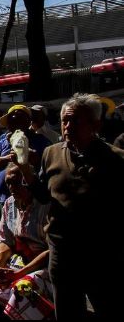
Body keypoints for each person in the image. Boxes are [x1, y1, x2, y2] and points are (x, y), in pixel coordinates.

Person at [18, 93, 124, 320]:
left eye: (75, 120)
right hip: (62, 251)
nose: (67, 126)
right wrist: (26, 171)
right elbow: (44, 197)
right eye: (65, 120)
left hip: (102, 253)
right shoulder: (51, 153)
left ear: (95, 125)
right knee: (67, 311)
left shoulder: (116, 159)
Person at [0, 164, 53, 320]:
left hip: (44, 266)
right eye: (8, 182)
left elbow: (52, 250)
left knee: (22, 287)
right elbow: (6, 240)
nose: (11, 187)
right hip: (19, 261)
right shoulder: (9, 203)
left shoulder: (46, 205)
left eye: (16, 182)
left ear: (28, 180)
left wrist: (19, 273)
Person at [0, 105, 51, 206]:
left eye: (19, 116)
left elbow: (46, 162)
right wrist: (9, 158)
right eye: (11, 117)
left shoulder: (40, 140)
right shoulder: (3, 139)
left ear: (29, 121)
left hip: (29, 199)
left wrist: (27, 155)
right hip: (5, 200)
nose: (14, 118)